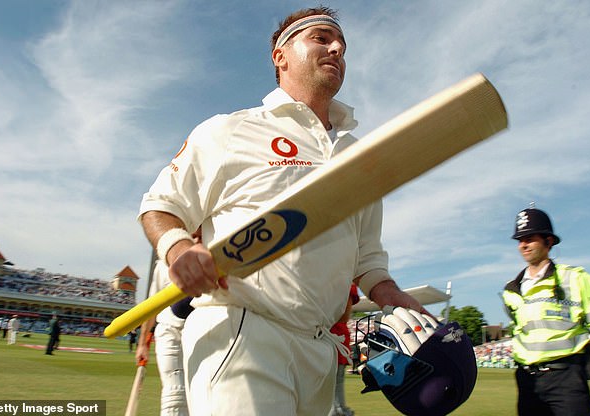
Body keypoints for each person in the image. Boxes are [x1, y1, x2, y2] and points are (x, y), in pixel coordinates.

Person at [138, 7, 428, 415]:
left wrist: (390, 294)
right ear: (281, 56)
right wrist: (179, 249)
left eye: (341, 44)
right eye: (321, 38)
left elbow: (366, 256)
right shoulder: (230, 130)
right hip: (243, 330)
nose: (338, 48)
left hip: (320, 349)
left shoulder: (359, 156)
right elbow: (161, 204)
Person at [502, 207, 590, 416]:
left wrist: (576, 368)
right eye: (520, 240)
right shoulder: (511, 288)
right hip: (527, 380)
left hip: (567, 378)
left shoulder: (577, 278)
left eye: (530, 238)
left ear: (548, 242)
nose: (523, 245)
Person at [135, 260, 191, 416]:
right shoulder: (163, 264)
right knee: (175, 394)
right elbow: (151, 307)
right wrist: (143, 345)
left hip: (204, 332)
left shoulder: (215, 250)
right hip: (170, 331)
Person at [329, 284, 360, 416]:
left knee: (333, 385)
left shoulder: (344, 281)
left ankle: (338, 411)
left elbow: (344, 315)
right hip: (329, 341)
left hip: (335, 341)